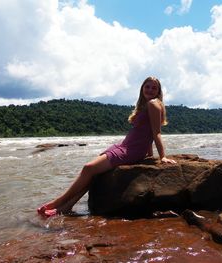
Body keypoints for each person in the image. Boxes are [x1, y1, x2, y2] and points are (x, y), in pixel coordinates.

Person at [37, 76, 176, 217]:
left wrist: (162, 156)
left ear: (159, 91)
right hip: (124, 146)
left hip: (131, 150)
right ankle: (66, 207)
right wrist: (149, 155)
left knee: (88, 168)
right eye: (147, 86)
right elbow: (146, 133)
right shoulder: (146, 105)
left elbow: (156, 132)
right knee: (93, 173)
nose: (150, 90)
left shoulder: (153, 104)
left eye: (154, 87)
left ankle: (58, 201)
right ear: (142, 88)